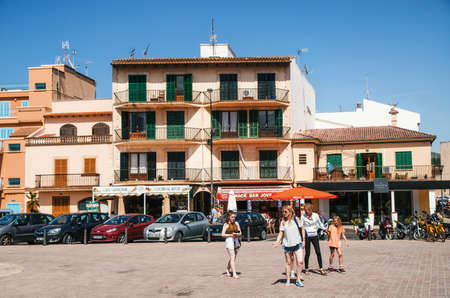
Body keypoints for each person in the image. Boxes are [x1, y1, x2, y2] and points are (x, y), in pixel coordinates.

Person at [273, 205, 305, 287]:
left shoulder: (296, 219)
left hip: (298, 243)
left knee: (300, 262)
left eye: (285, 212)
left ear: (290, 212)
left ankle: (298, 280)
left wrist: (304, 240)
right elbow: (281, 232)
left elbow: (302, 228)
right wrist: (277, 241)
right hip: (287, 245)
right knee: (288, 263)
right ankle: (288, 279)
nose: (283, 213)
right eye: (282, 212)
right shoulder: (283, 221)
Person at [301, 203, 327, 275]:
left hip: (315, 235)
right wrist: (303, 238)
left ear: (311, 210)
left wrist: (325, 229)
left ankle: (321, 269)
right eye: (305, 210)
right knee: (308, 253)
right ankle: (306, 269)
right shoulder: (303, 217)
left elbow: (320, 224)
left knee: (318, 252)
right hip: (307, 236)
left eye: (307, 210)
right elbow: (301, 226)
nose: (306, 212)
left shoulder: (316, 215)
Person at [221, 211, 242, 279]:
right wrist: (231, 235)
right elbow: (222, 234)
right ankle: (234, 274)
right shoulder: (226, 224)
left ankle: (227, 270)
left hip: (236, 242)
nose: (233, 218)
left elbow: (240, 233)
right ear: (228, 217)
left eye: (234, 217)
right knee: (232, 257)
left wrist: (237, 234)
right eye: (232, 217)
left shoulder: (236, 223)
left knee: (233, 258)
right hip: (229, 241)